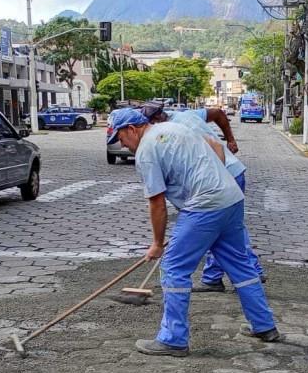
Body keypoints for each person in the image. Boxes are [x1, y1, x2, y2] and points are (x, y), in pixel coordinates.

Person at [106, 108, 281, 357]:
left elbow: (156, 202)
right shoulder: (174, 127)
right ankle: (264, 325)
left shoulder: (146, 151)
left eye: (121, 139)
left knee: (174, 267)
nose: (122, 145)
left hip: (205, 206)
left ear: (132, 129)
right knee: (240, 266)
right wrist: (213, 179)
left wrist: (157, 243)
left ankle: (173, 339)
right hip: (230, 197)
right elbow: (216, 145)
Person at [138, 101, 262, 291]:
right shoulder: (185, 115)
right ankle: (216, 276)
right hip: (232, 172)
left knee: (221, 227)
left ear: (155, 120)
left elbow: (213, 144)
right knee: (226, 227)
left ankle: (250, 269)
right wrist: (230, 139)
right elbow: (218, 113)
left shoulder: (168, 131)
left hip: (219, 175)